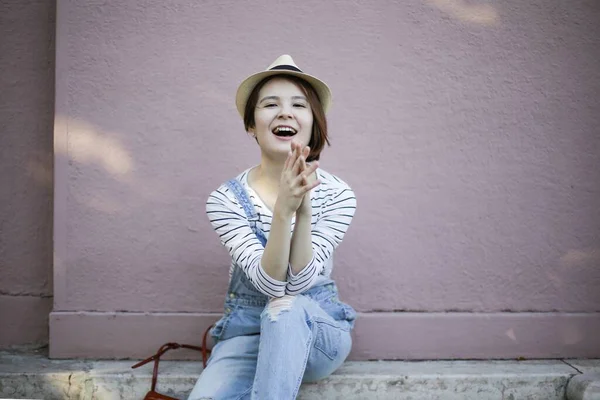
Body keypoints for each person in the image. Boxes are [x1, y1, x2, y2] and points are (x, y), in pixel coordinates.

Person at [188, 55, 357, 400]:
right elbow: (268, 283)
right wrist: (283, 210)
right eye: (270, 104)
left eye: (299, 104)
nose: (285, 112)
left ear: (313, 123)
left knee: (287, 308)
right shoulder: (225, 200)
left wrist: (304, 213)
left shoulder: (339, 195)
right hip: (248, 335)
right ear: (251, 124)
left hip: (316, 332)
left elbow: (297, 285)